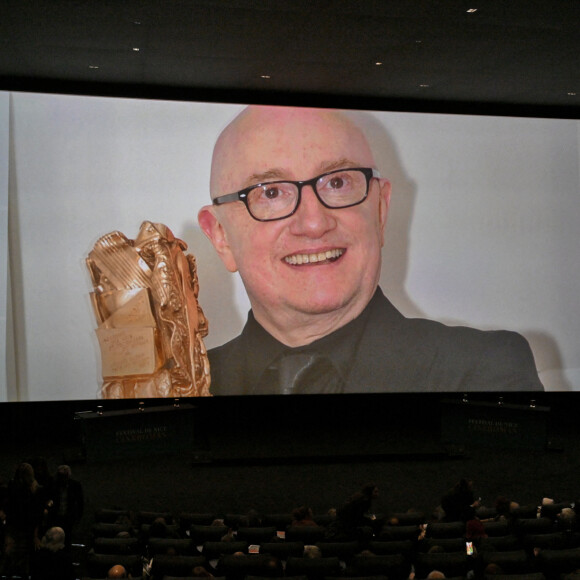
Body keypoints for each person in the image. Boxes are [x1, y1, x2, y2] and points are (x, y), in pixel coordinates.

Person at [198, 105, 544, 395]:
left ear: (380, 211)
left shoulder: (481, 372)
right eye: (271, 193)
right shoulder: (180, 389)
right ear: (220, 236)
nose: (314, 223)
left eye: (337, 182)